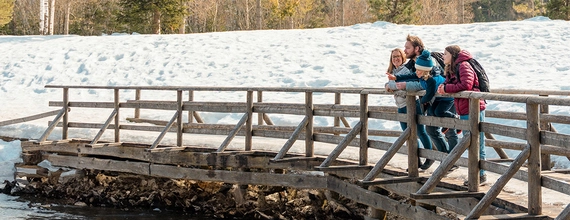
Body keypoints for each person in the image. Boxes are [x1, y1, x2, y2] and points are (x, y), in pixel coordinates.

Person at [437, 45, 487, 185]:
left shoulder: (463, 65)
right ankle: (475, 174)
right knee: (470, 141)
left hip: (474, 107)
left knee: (476, 142)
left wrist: (446, 89)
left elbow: (466, 84)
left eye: (445, 53)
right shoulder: (453, 68)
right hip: (465, 108)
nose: (443, 56)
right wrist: (443, 87)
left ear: (452, 55)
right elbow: (449, 82)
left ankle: (480, 175)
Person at [384, 45, 433, 171]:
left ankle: (430, 155)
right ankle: (415, 161)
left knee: (420, 131)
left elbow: (399, 85)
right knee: (407, 134)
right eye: (394, 56)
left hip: (411, 104)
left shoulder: (405, 70)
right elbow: (394, 85)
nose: (396, 59)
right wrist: (389, 85)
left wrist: (390, 85)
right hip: (401, 105)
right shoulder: (393, 71)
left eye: (398, 56)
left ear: (403, 57)